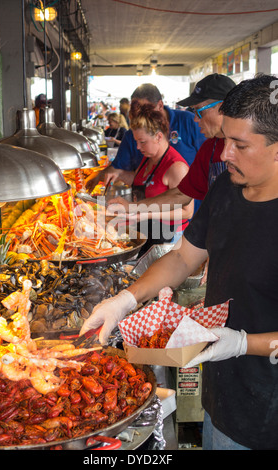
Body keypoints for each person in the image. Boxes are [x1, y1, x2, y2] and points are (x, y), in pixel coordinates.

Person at [80, 74, 278, 450]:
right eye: (224, 141)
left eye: (239, 144)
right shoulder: (225, 190)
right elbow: (183, 257)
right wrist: (125, 299)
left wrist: (241, 343)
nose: (222, 155)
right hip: (222, 401)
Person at [122, 74, 236, 213]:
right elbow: (181, 194)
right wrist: (133, 207)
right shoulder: (208, 149)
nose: (195, 119)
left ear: (223, 107)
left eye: (199, 111)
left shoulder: (255, 144)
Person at [108, 99, 194, 256]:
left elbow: (187, 211)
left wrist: (148, 213)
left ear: (159, 137)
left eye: (142, 142)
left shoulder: (177, 167)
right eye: (136, 142)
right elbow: (144, 182)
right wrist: (118, 174)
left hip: (168, 239)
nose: (138, 147)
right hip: (147, 232)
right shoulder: (148, 158)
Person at [85, 83, 205, 193]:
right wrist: (99, 176)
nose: (140, 117)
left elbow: (184, 207)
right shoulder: (131, 134)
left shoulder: (190, 122)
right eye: (136, 111)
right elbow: (126, 172)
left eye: (145, 111)